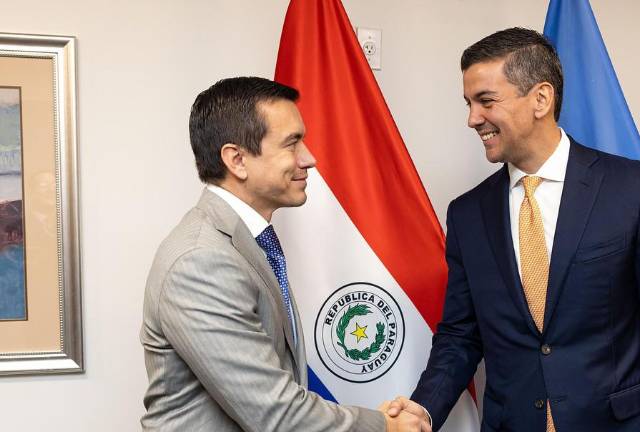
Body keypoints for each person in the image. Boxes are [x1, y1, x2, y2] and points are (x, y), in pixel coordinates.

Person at [388, 28, 640, 431]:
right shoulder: (467, 214)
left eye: (486, 101)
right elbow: (460, 335)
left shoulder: (635, 190)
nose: (472, 119)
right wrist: (424, 409)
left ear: (540, 98)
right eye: (468, 103)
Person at [140, 77, 427, 432]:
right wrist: (384, 426)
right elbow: (277, 414)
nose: (309, 158)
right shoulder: (201, 261)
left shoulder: (248, 242)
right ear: (237, 160)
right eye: (292, 144)